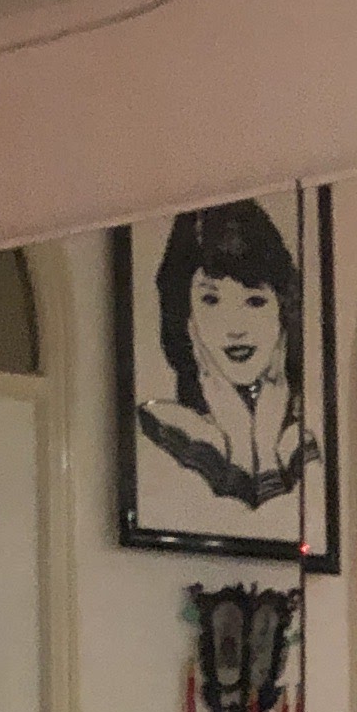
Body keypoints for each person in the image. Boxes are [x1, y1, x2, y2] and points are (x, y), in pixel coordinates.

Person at [137, 197, 316, 518]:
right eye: (211, 300)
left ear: (282, 311)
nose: (235, 328)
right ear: (185, 313)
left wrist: (263, 446)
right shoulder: (163, 426)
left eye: (255, 301)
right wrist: (240, 443)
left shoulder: (299, 443)